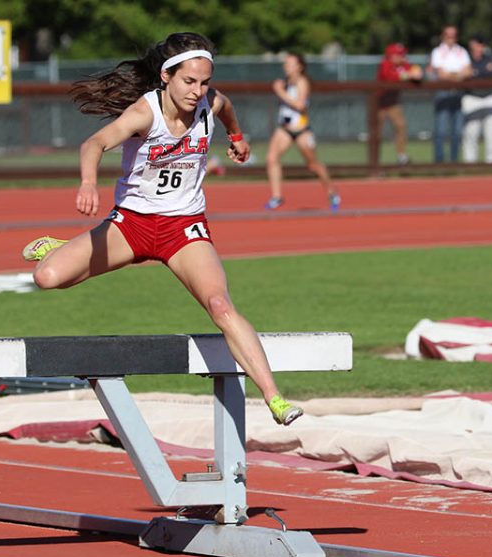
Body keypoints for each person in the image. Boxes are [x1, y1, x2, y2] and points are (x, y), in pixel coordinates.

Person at [20, 32, 303, 426]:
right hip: (132, 225)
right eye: (189, 82)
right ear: (167, 76)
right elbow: (95, 144)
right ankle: (64, 247)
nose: (198, 91)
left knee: (220, 305)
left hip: (183, 228)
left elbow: (226, 108)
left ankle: (274, 398)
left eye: (204, 82)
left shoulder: (210, 102)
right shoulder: (144, 113)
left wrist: (236, 137)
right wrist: (88, 182)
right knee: (47, 277)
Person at [264, 52, 340, 212]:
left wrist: (280, 92)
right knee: (271, 158)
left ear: (299, 66)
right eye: (285, 63)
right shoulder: (285, 82)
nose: (286, 66)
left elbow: (300, 106)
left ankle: (332, 193)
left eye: (290, 63)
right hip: (285, 128)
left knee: (313, 166)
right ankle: (277, 196)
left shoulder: (302, 82)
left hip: (301, 130)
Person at [425, 25, 472, 163]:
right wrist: (458, 75)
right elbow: (440, 73)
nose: (451, 38)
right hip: (443, 93)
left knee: (457, 132)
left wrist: (451, 75)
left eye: (453, 36)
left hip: (458, 94)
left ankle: (454, 162)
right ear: (443, 36)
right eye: (448, 35)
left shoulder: (461, 51)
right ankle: (439, 163)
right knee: (441, 131)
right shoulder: (437, 52)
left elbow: (469, 71)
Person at [376, 43, 423, 165]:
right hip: (378, 103)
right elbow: (390, 77)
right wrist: (409, 75)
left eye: (403, 54)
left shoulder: (403, 64)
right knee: (377, 133)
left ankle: (401, 156)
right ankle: (375, 162)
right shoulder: (385, 63)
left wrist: (417, 72)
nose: (402, 57)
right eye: (399, 54)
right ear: (391, 55)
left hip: (393, 102)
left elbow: (416, 71)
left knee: (401, 127)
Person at [461, 34, 492, 164]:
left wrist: (475, 73)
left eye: (481, 44)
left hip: (488, 97)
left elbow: (491, 73)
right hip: (471, 98)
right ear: (471, 44)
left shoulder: (489, 58)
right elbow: (465, 75)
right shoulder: (464, 59)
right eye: (477, 43)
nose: (479, 47)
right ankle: (470, 163)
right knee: (471, 132)